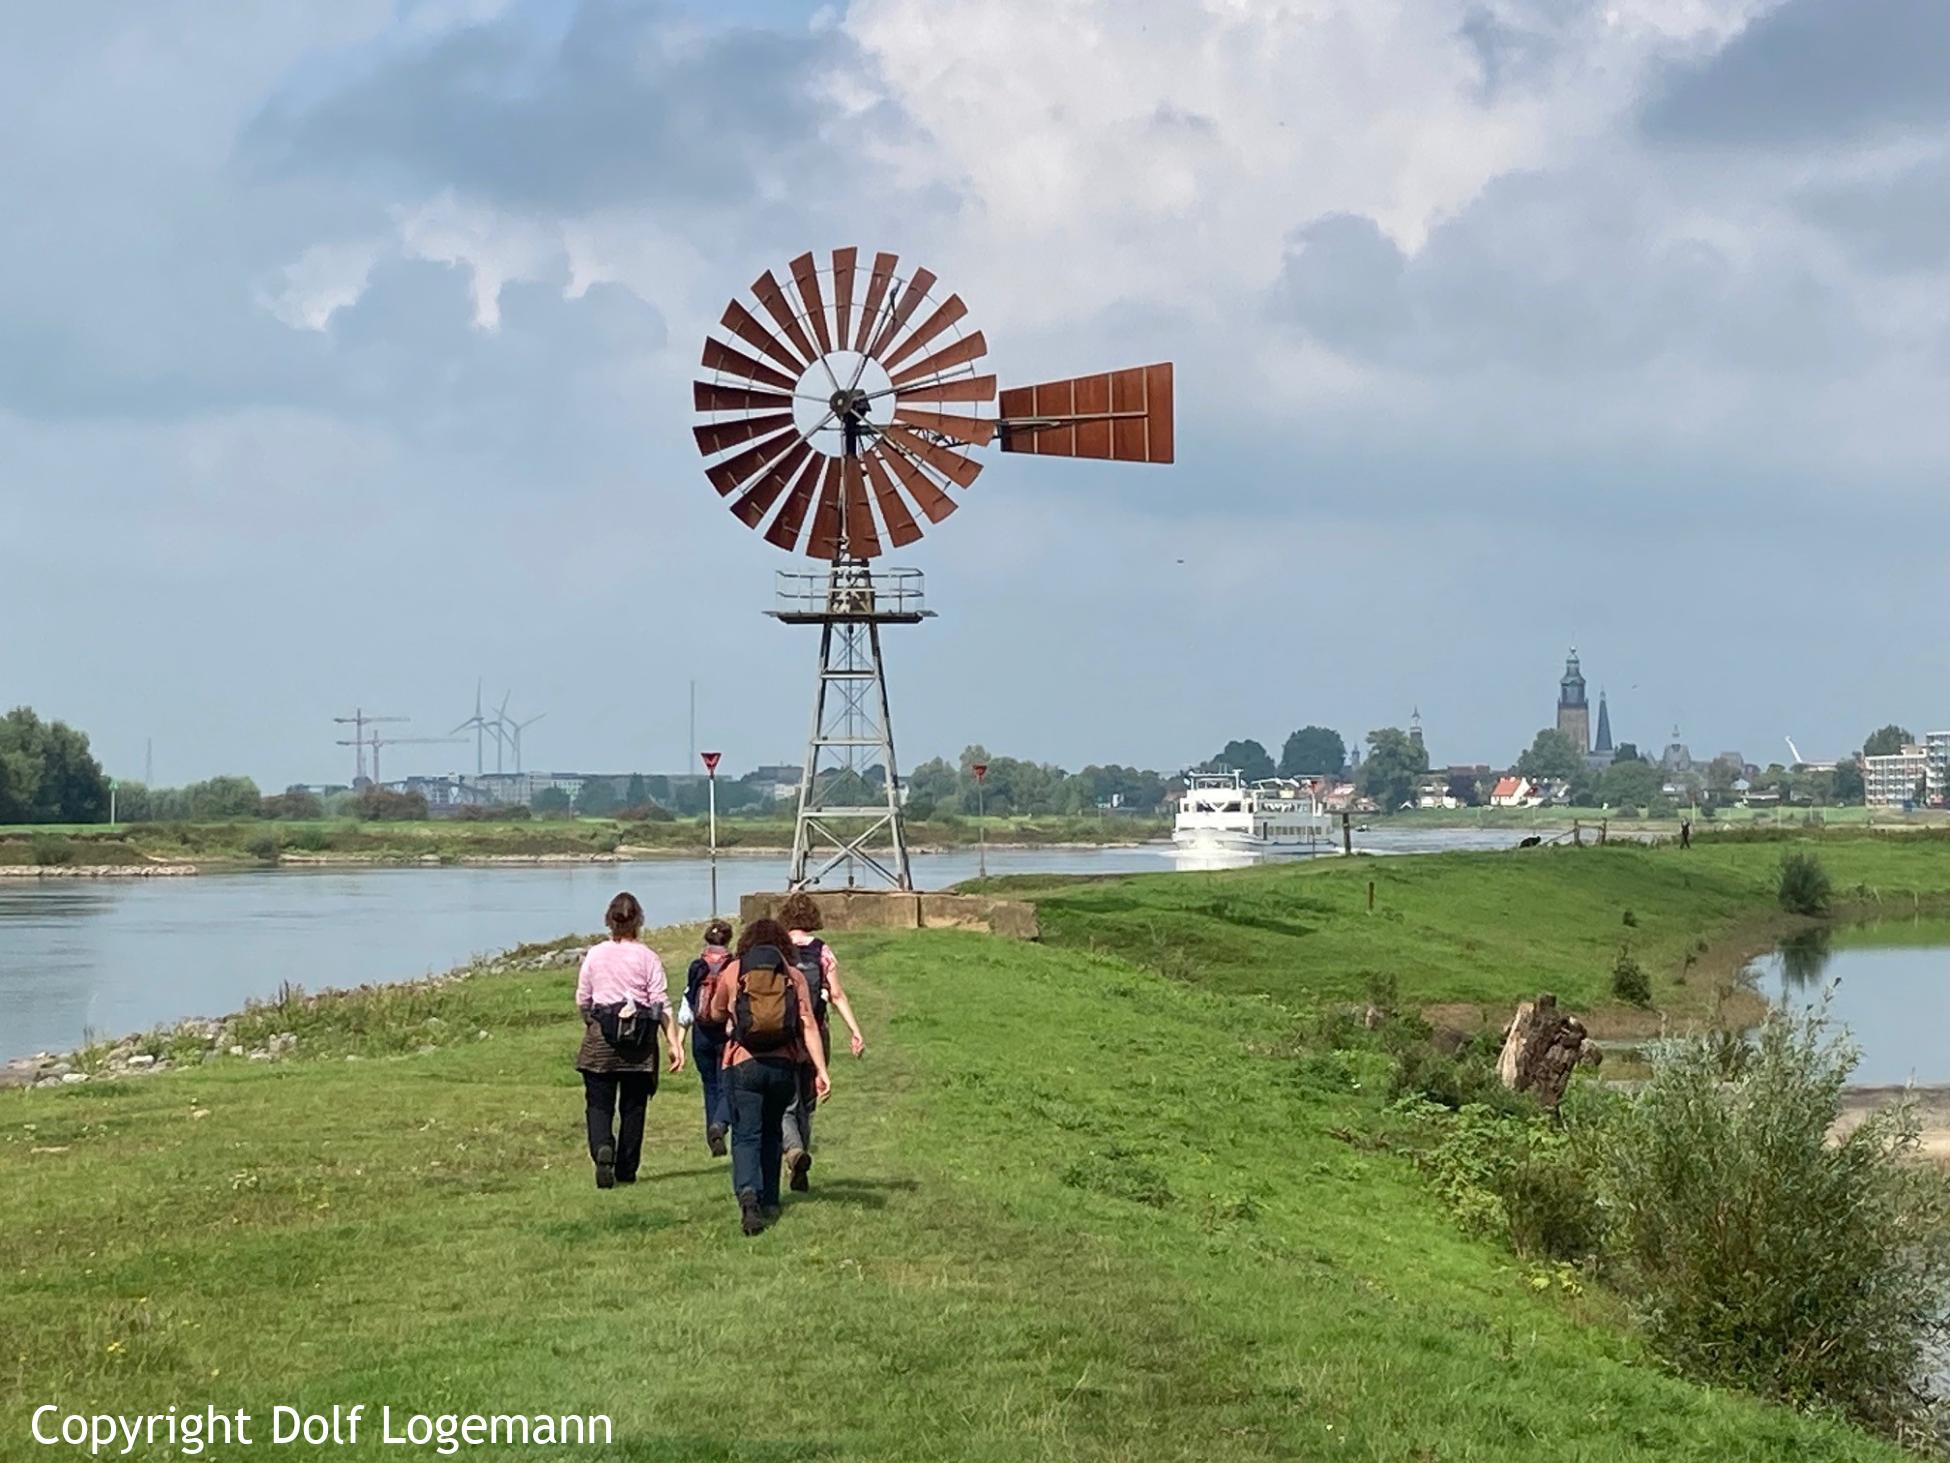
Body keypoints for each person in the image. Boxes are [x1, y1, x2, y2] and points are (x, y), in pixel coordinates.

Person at [702, 916, 830, 1235]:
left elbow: (716, 1013)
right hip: (783, 1064)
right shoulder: (793, 975)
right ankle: (771, 1200)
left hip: (743, 1063)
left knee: (746, 1135)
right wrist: (821, 1070)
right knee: (773, 1132)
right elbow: (808, 1024)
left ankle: (748, 1196)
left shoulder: (734, 970)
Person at [574, 892, 685, 1190]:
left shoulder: (595, 954)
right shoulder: (648, 957)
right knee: (634, 1107)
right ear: (639, 920)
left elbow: (583, 998)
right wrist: (674, 1042)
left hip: (601, 1040)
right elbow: (660, 1003)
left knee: (598, 1104)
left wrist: (591, 1021)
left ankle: (602, 1150)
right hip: (639, 1043)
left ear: (609, 920)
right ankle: (626, 1168)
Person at [776, 892, 865, 1194]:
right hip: (816, 1030)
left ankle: (792, 1150)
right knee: (809, 1100)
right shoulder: (822, 951)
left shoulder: (777, 949)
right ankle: (799, 1157)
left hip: (784, 1034)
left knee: (785, 1102)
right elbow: (837, 994)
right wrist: (855, 1030)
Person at [682, 918, 735, 1156]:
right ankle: (721, 1125)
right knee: (728, 1084)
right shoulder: (733, 965)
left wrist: (679, 1038)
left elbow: (687, 1001)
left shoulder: (696, 966)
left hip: (701, 1033)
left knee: (709, 1085)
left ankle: (712, 1134)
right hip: (726, 1032)